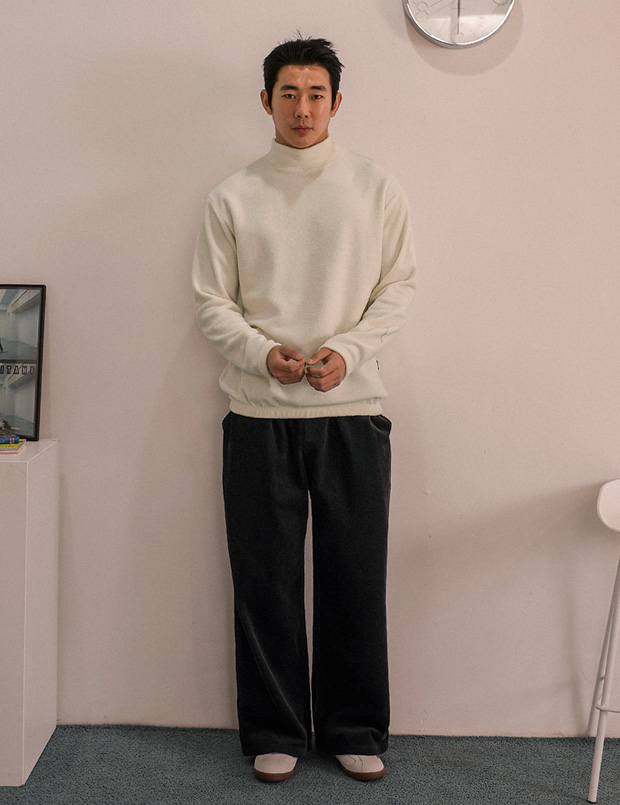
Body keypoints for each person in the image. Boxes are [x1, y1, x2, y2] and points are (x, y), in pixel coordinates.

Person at [192, 36, 415, 783]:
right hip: (258, 414)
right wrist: (264, 355)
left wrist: (346, 351)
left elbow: (398, 288)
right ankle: (275, 729)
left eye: (316, 93)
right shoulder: (232, 196)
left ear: (337, 102)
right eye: (288, 93)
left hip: (353, 411)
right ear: (266, 101)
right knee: (265, 582)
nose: (302, 107)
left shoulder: (375, 188)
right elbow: (212, 303)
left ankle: (354, 726)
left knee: (356, 577)